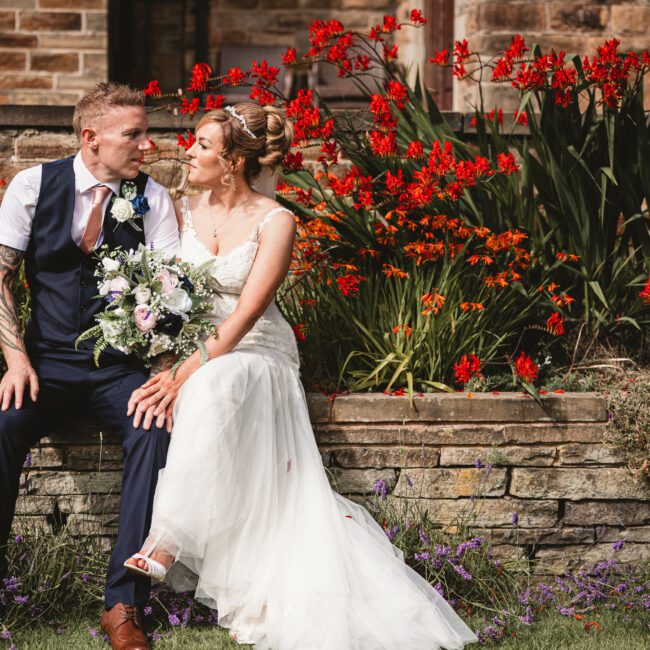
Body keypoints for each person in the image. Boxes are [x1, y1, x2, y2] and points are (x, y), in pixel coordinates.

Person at [125, 102, 478, 649]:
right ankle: (177, 535)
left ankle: (168, 538)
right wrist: (167, 365)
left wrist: (187, 374)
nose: (187, 151)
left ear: (235, 161)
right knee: (210, 385)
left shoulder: (276, 219)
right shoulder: (179, 209)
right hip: (196, 347)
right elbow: (162, 293)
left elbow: (245, 314)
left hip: (257, 350)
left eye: (201, 144)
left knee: (219, 382)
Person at [0, 82, 180, 650]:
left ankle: (124, 606)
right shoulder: (34, 185)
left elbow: (173, 294)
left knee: (154, 430)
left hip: (119, 369)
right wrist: (13, 359)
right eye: (133, 134)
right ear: (91, 138)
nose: (146, 145)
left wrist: (165, 374)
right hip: (44, 363)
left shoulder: (153, 198)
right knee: (1, 424)